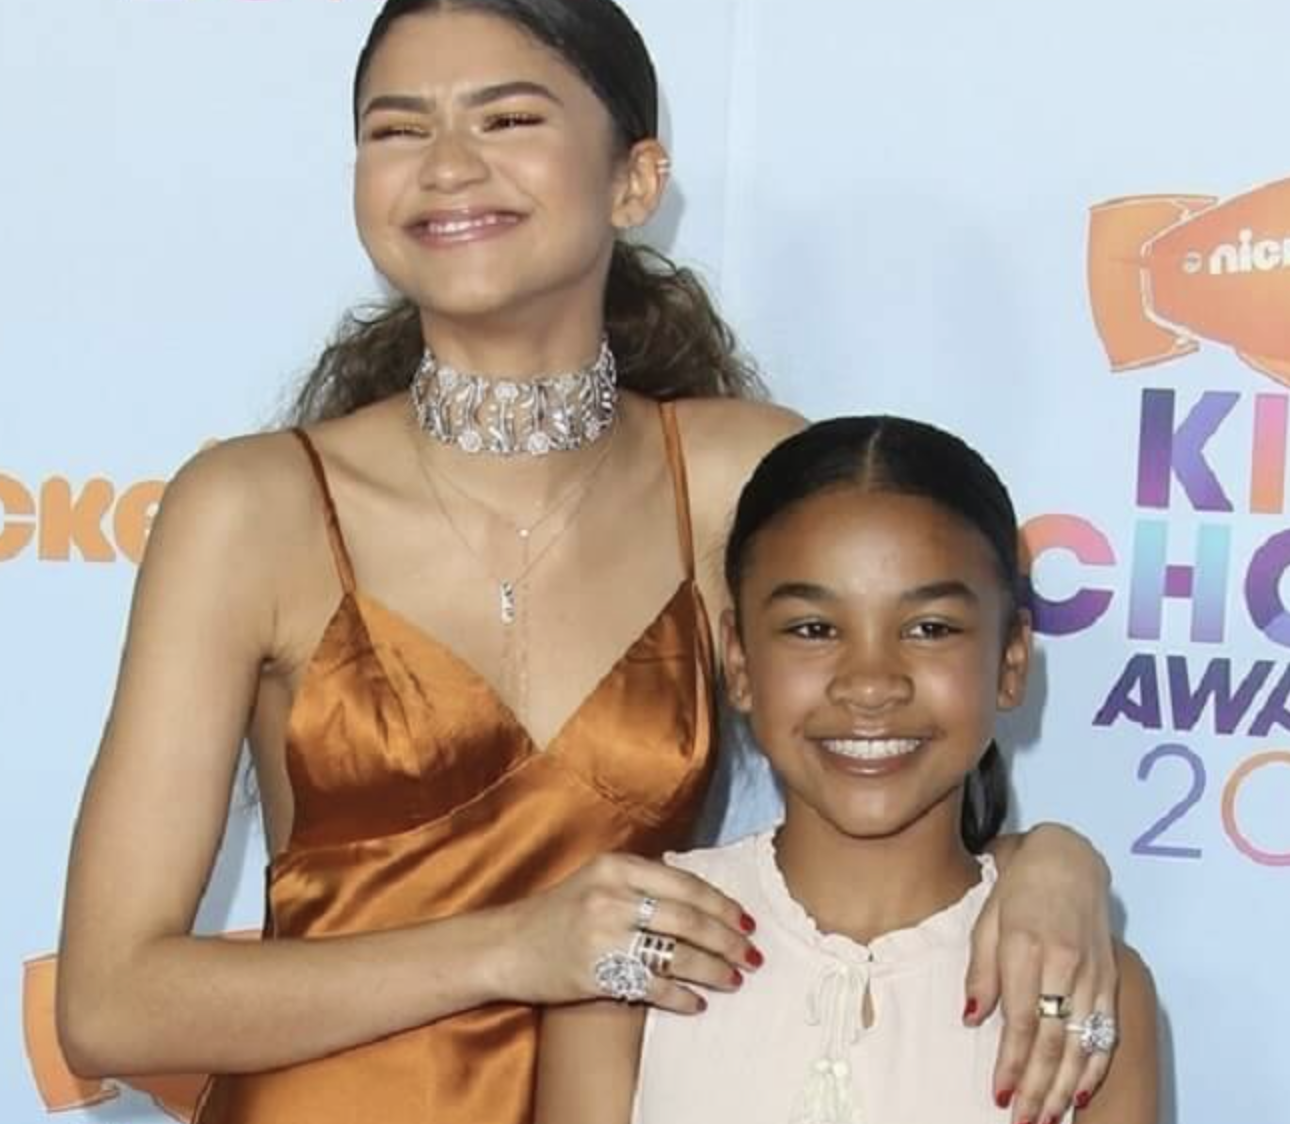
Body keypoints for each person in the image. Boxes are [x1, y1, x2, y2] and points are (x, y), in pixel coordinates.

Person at [55, 3, 1119, 1123]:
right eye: (397, 129)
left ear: (634, 179)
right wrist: (512, 947)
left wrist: (1056, 861)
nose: (447, 166)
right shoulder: (250, 507)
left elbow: (876, 749)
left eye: (507, 118)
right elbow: (111, 1003)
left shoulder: (726, 476)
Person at [536, 417, 1159, 1124]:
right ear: (738, 661)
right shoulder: (633, 951)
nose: (870, 684)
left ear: (1011, 660)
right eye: (814, 629)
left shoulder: (1080, 984)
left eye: (930, 629)